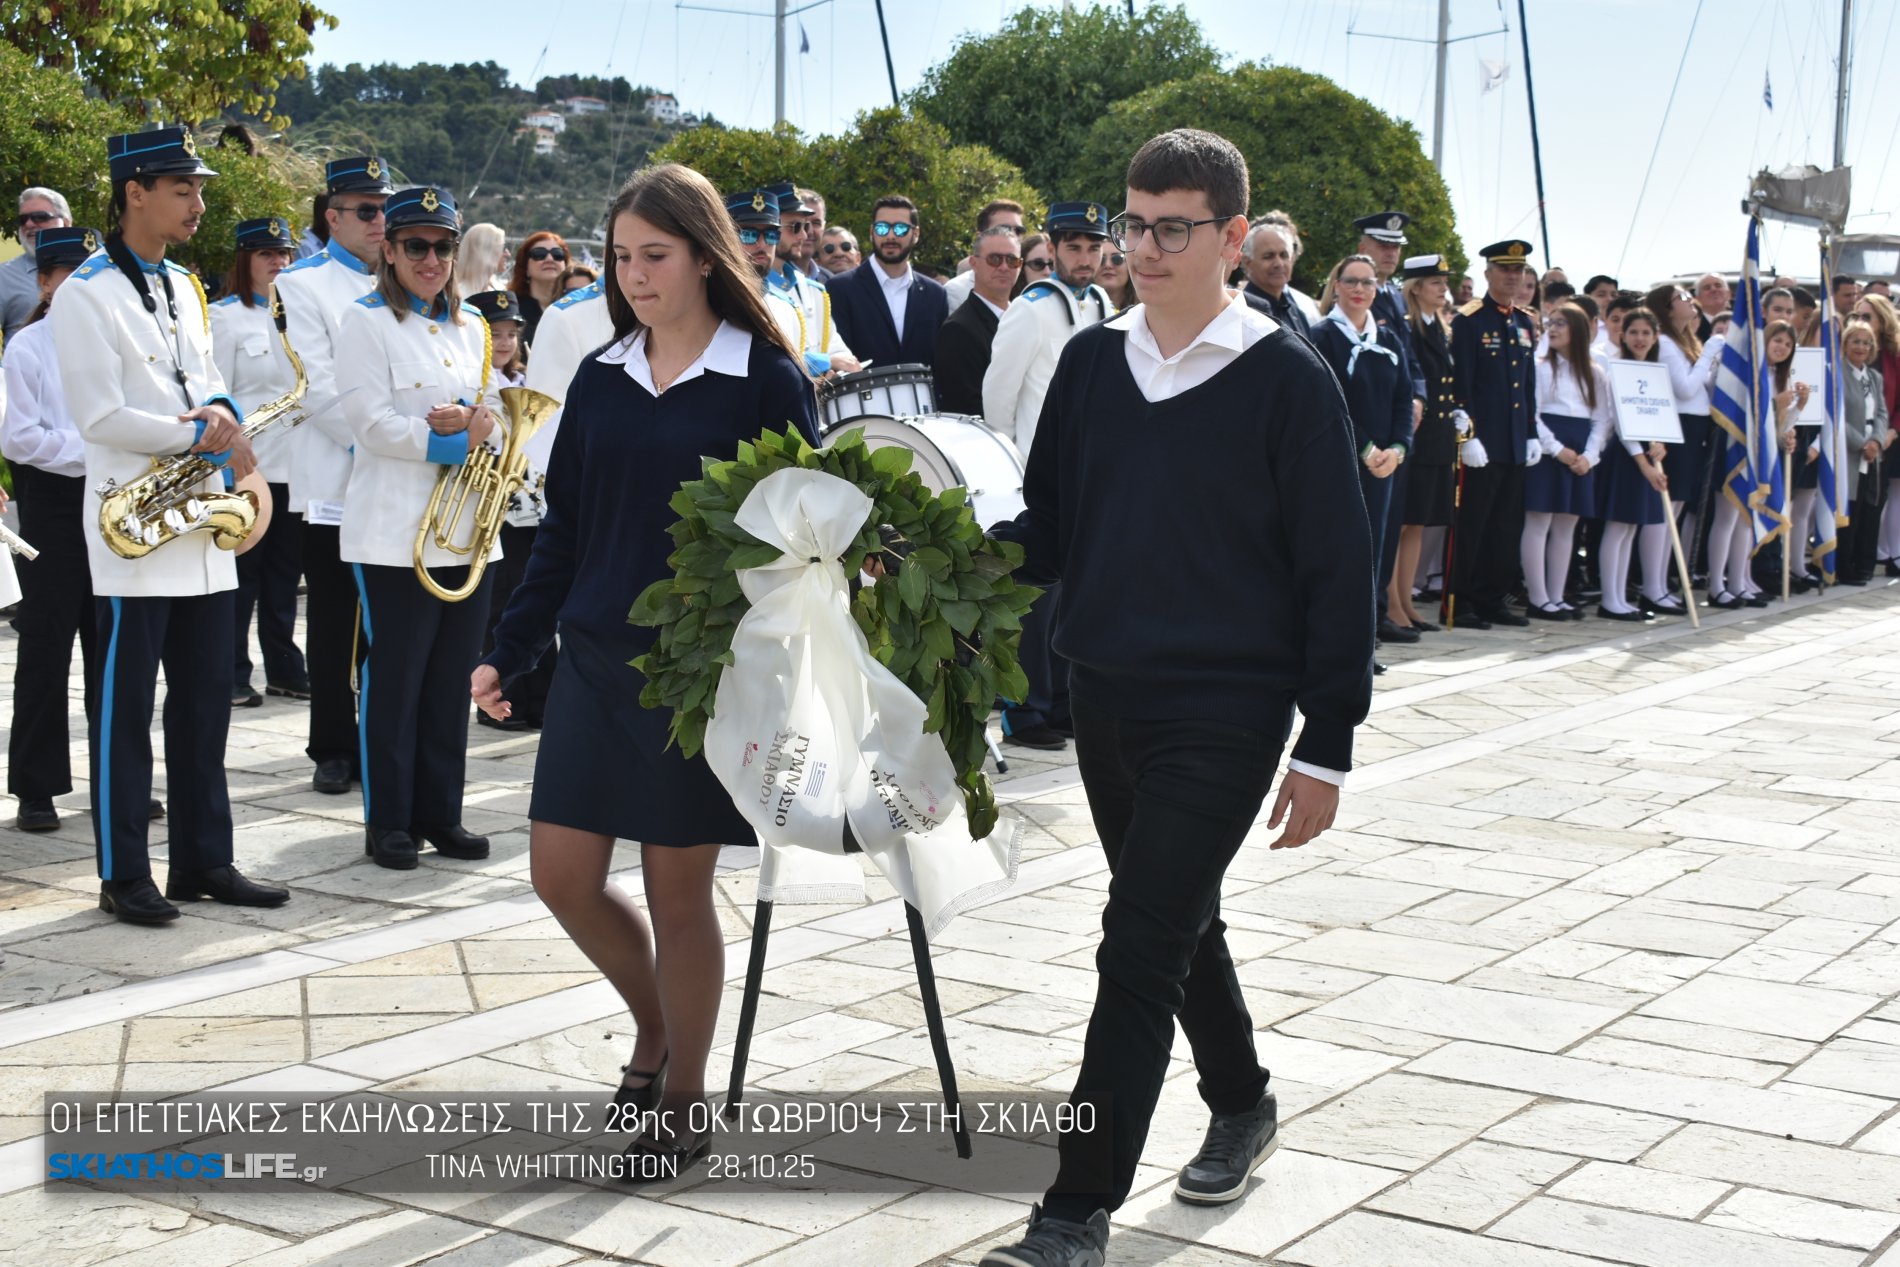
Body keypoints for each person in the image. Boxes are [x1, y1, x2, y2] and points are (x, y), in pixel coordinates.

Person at [978, 127, 1373, 1267]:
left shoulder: (1287, 377)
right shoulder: (1094, 365)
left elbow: (1333, 567)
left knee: (1136, 941)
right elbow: (1045, 526)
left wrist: (1327, 740)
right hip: (1104, 693)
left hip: (1230, 709)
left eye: (1169, 229)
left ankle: (1070, 1212)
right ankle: (1242, 1097)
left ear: (1233, 239)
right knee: (1171, 919)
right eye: (1131, 225)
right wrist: (930, 563)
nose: (1140, 249)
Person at [472, 162, 819, 1178]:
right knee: (561, 876)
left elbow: (806, 536)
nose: (632, 276)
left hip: (698, 676)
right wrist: (510, 647)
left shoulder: (763, 377)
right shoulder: (599, 373)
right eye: (621, 257)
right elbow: (567, 530)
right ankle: (655, 1026)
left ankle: (681, 1096)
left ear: (706, 257)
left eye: (653, 256)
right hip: (590, 662)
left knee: (679, 895)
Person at [56, 126, 289, 924]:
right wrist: (198, 433)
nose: (198, 202)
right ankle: (124, 873)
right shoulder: (86, 292)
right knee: (125, 712)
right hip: (135, 531)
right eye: (182, 188)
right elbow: (99, 415)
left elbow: (211, 380)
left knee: (205, 704)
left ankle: (202, 859)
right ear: (135, 192)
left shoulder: (185, 286)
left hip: (198, 524)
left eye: (197, 187)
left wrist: (230, 424)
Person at [335, 184, 503, 870]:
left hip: (466, 533)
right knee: (396, 680)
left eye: (442, 246)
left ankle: (442, 814)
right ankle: (390, 822)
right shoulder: (363, 322)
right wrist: (449, 440)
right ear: (390, 250)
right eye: (416, 246)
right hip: (392, 535)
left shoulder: (474, 327)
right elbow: (370, 424)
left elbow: (495, 409)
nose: (431, 259)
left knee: (448, 681)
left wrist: (481, 426)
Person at [275, 155, 395, 797]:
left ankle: (380, 737)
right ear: (333, 216)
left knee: (391, 624)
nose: (380, 222)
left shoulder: (405, 275)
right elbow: (313, 388)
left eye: (383, 208)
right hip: (339, 482)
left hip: (402, 481)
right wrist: (383, 441)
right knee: (333, 620)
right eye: (366, 211)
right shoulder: (302, 284)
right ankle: (332, 744)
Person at [983, 202, 1113, 752]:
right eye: (1074, 247)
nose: (1084, 258)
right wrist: (1017, 467)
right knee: (1033, 603)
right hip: (1037, 474)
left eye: (1093, 247)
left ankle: (1060, 701)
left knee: (1070, 596)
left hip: (1086, 472)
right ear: (1054, 249)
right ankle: (1024, 711)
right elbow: (998, 399)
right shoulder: (1031, 309)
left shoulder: (1104, 303)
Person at [3, 225, 113, 832]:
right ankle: (36, 788)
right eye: (69, 275)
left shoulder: (113, 343)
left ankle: (115, 778)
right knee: (47, 648)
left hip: (110, 500)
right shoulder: (27, 346)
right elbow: (20, 437)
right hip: (50, 503)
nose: (80, 287)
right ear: (45, 281)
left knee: (115, 650)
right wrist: (93, 448)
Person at [212, 217, 307, 707]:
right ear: (244, 260)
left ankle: (285, 667)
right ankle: (231, 670)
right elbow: (217, 394)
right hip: (248, 466)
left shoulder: (299, 316)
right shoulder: (225, 317)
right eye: (266, 253)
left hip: (295, 465)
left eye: (284, 254)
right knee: (242, 577)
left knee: (284, 578)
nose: (277, 262)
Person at [1310, 255, 1411, 646]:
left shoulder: (1388, 339)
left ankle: (1369, 630)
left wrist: (1398, 449)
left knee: (1378, 548)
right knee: (1342, 549)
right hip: (1342, 463)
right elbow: (1329, 402)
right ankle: (1340, 636)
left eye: (1367, 283)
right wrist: (1366, 448)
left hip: (1384, 465)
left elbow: (1404, 399)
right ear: (1336, 285)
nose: (1359, 290)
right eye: (1351, 281)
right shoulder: (1322, 337)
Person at [1447, 240, 1539, 629]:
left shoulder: (1522, 321)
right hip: (1482, 442)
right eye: (1505, 269)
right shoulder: (1470, 320)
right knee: (1474, 524)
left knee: (1506, 526)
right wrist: (1469, 438)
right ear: (1488, 273)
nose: (1512, 276)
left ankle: (1492, 597)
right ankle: (1462, 600)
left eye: (1518, 270)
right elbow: (1461, 384)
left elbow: (1527, 385)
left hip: (1515, 441)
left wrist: (1531, 432)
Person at [1522, 304, 1611, 620]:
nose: (1554, 328)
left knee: (1566, 526)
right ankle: (1538, 596)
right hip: (1551, 449)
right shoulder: (1541, 366)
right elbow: (1532, 413)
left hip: (1580, 449)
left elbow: (1602, 419)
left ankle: (1557, 596)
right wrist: (1556, 448)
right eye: (1551, 323)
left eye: (1562, 323)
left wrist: (1589, 456)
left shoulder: (1595, 372)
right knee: (1539, 522)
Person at [1391, 254, 1457, 633]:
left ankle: (1407, 601)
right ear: (1416, 287)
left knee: (1417, 523)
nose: (1442, 288)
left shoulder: (1438, 327)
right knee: (1401, 524)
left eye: (1443, 282)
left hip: (1436, 439)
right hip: (1416, 436)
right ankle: (1393, 604)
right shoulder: (1410, 328)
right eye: (1435, 282)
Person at [1595, 308, 1675, 619]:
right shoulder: (1618, 370)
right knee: (1617, 527)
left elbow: (1657, 416)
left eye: (1646, 333)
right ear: (1623, 336)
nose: (1640, 339)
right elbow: (1622, 421)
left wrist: (1659, 443)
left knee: (1630, 528)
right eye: (1634, 332)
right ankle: (1609, 598)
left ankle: (1621, 596)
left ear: (1655, 337)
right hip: (1626, 455)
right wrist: (1643, 462)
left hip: (1646, 454)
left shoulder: (1655, 371)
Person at [1643, 282, 1723, 585]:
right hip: (1678, 426)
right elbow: (1686, 388)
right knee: (1667, 510)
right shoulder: (1664, 342)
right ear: (1666, 307)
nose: (1690, 301)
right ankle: (1654, 584)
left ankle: (1662, 580)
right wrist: (1711, 350)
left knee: (1675, 513)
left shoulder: (1685, 341)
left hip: (1694, 426)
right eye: (1683, 297)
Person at [829, 194, 948, 370]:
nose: (890, 236)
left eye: (900, 229)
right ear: (871, 232)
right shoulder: (839, 289)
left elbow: (941, 363)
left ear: (915, 234)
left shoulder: (935, 294)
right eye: (882, 228)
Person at [763, 183, 858, 378]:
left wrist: (838, 366)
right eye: (795, 227)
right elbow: (768, 356)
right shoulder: (752, 288)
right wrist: (826, 361)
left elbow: (836, 348)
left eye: (805, 226)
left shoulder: (814, 290)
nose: (804, 235)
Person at [934, 224, 1019, 415]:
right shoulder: (958, 330)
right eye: (994, 259)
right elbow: (965, 410)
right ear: (974, 264)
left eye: (1012, 260)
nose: (1004, 267)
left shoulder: (1024, 320)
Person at [1838, 320, 1892, 584]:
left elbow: (1882, 413)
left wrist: (1877, 442)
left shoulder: (1874, 377)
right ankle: (1844, 567)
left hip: (1873, 451)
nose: (1861, 347)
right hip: (1851, 451)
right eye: (1855, 341)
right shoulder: (1837, 373)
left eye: (1866, 342)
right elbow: (1837, 416)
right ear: (1846, 343)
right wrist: (1861, 443)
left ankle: (1864, 564)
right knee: (1850, 508)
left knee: (1870, 509)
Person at [1771, 319, 1823, 587]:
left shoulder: (1781, 374)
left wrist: (1799, 406)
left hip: (1778, 450)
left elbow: (1782, 424)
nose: (1782, 347)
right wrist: (1773, 404)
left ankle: (1778, 570)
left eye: (1788, 344)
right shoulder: (1761, 373)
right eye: (1777, 340)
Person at [1851, 293, 1900, 573]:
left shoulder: (1894, 355)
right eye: (1856, 316)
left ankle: (1893, 554)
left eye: (1866, 316)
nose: (1860, 322)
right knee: (1862, 500)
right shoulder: (1852, 351)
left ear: (1882, 320)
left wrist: (1891, 431)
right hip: (1856, 439)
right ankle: (1860, 558)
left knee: (1891, 495)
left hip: (1891, 434)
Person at [3, 188, 73, 345]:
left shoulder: (93, 268)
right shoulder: (4, 276)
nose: (29, 224)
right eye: (23, 219)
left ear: (66, 223)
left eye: (40, 217)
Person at [944, 199, 1026, 313]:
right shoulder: (957, 292)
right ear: (980, 236)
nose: (1012, 236)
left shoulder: (1029, 287)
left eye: (1018, 230)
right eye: (1003, 229)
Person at [1239, 223, 1309, 339]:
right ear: (1247, 262)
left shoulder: (1297, 313)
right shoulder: (1241, 311)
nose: (1279, 264)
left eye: (1284, 255)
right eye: (1268, 256)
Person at [509, 230, 571, 345]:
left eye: (557, 254)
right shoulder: (511, 309)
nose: (549, 259)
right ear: (525, 268)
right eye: (539, 254)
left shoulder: (574, 307)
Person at [455, 222, 508, 295]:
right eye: (503, 248)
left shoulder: (501, 289)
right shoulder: (459, 296)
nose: (508, 254)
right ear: (486, 253)